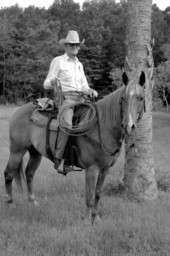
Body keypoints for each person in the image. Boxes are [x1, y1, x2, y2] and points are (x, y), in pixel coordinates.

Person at [43, 30, 98, 173]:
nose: (75, 48)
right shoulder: (58, 61)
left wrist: (90, 91)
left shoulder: (79, 64)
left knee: (95, 117)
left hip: (81, 98)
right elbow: (46, 84)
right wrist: (53, 81)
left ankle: (88, 155)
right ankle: (59, 160)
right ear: (66, 46)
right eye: (72, 45)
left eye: (77, 45)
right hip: (65, 99)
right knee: (67, 124)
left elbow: (84, 86)